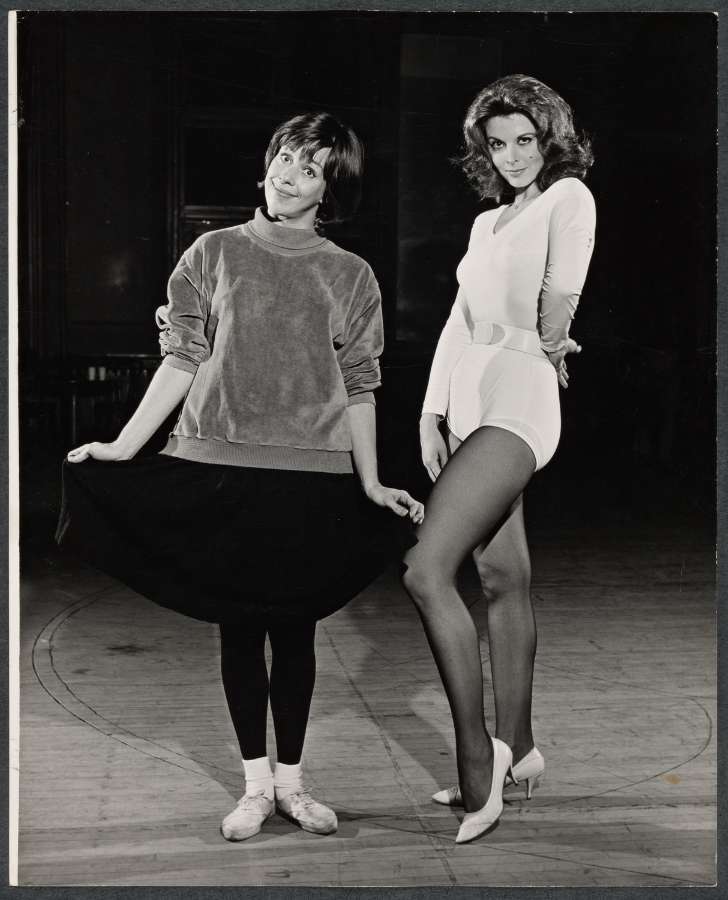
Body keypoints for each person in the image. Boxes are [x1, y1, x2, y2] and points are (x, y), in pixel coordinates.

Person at [57, 112, 423, 843]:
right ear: (267, 161)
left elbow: (360, 386)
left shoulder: (351, 274)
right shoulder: (213, 251)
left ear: (331, 190)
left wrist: (372, 482)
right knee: (239, 632)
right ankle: (255, 788)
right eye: (285, 156)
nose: (289, 174)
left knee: (296, 634)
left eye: (311, 168)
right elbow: (182, 359)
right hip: (219, 469)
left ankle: (293, 786)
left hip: (309, 479)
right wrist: (124, 446)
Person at [401, 74, 596, 843]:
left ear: (550, 139)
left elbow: (562, 291)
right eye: (498, 142)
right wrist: (431, 411)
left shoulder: (568, 197)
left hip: (521, 391)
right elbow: (459, 319)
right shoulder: (487, 223)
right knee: (501, 577)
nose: (512, 155)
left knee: (426, 570)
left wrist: (557, 341)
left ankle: (479, 760)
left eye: (525, 140)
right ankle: (523, 745)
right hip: (470, 396)